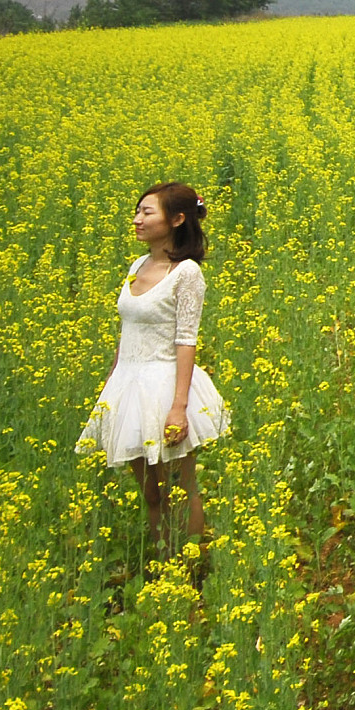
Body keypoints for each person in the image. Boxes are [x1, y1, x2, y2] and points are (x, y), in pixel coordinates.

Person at [77, 181, 229, 557]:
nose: (137, 220)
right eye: (138, 211)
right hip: (128, 385)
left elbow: (186, 339)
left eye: (147, 212)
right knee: (151, 492)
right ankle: (163, 562)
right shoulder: (137, 265)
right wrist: (111, 385)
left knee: (180, 485)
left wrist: (178, 407)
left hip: (166, 386)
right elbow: (127, 330)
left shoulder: (187, 273)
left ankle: (190, 568)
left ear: (177, 219)